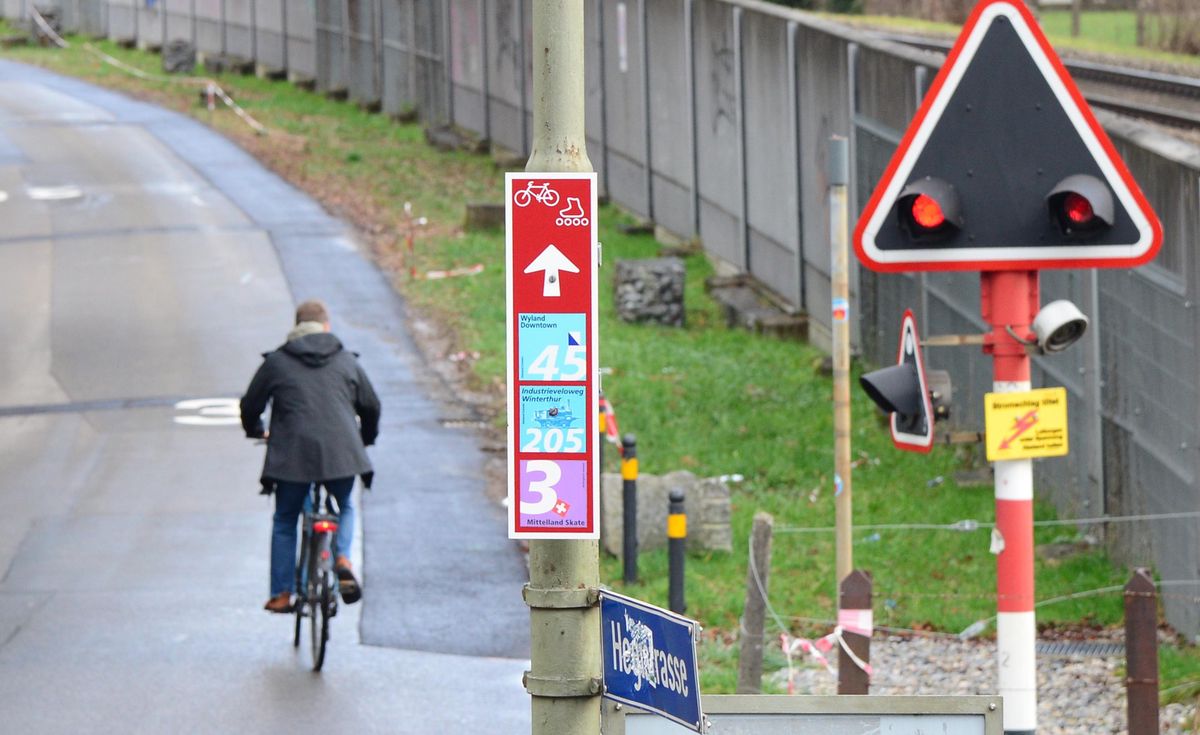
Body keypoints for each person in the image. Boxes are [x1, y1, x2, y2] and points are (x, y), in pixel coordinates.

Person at [241, 299, 381, 614]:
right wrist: (365, 439)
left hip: (292, 457)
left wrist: (255, 429)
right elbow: (371, 406)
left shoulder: (276, 362)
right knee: (344, 504)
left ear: (296, 327)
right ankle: (342, 557)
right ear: (326, 327)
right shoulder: (346, 361)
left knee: (286, 519)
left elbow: (251, 404)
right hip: (342, 454)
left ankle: (282, 594)